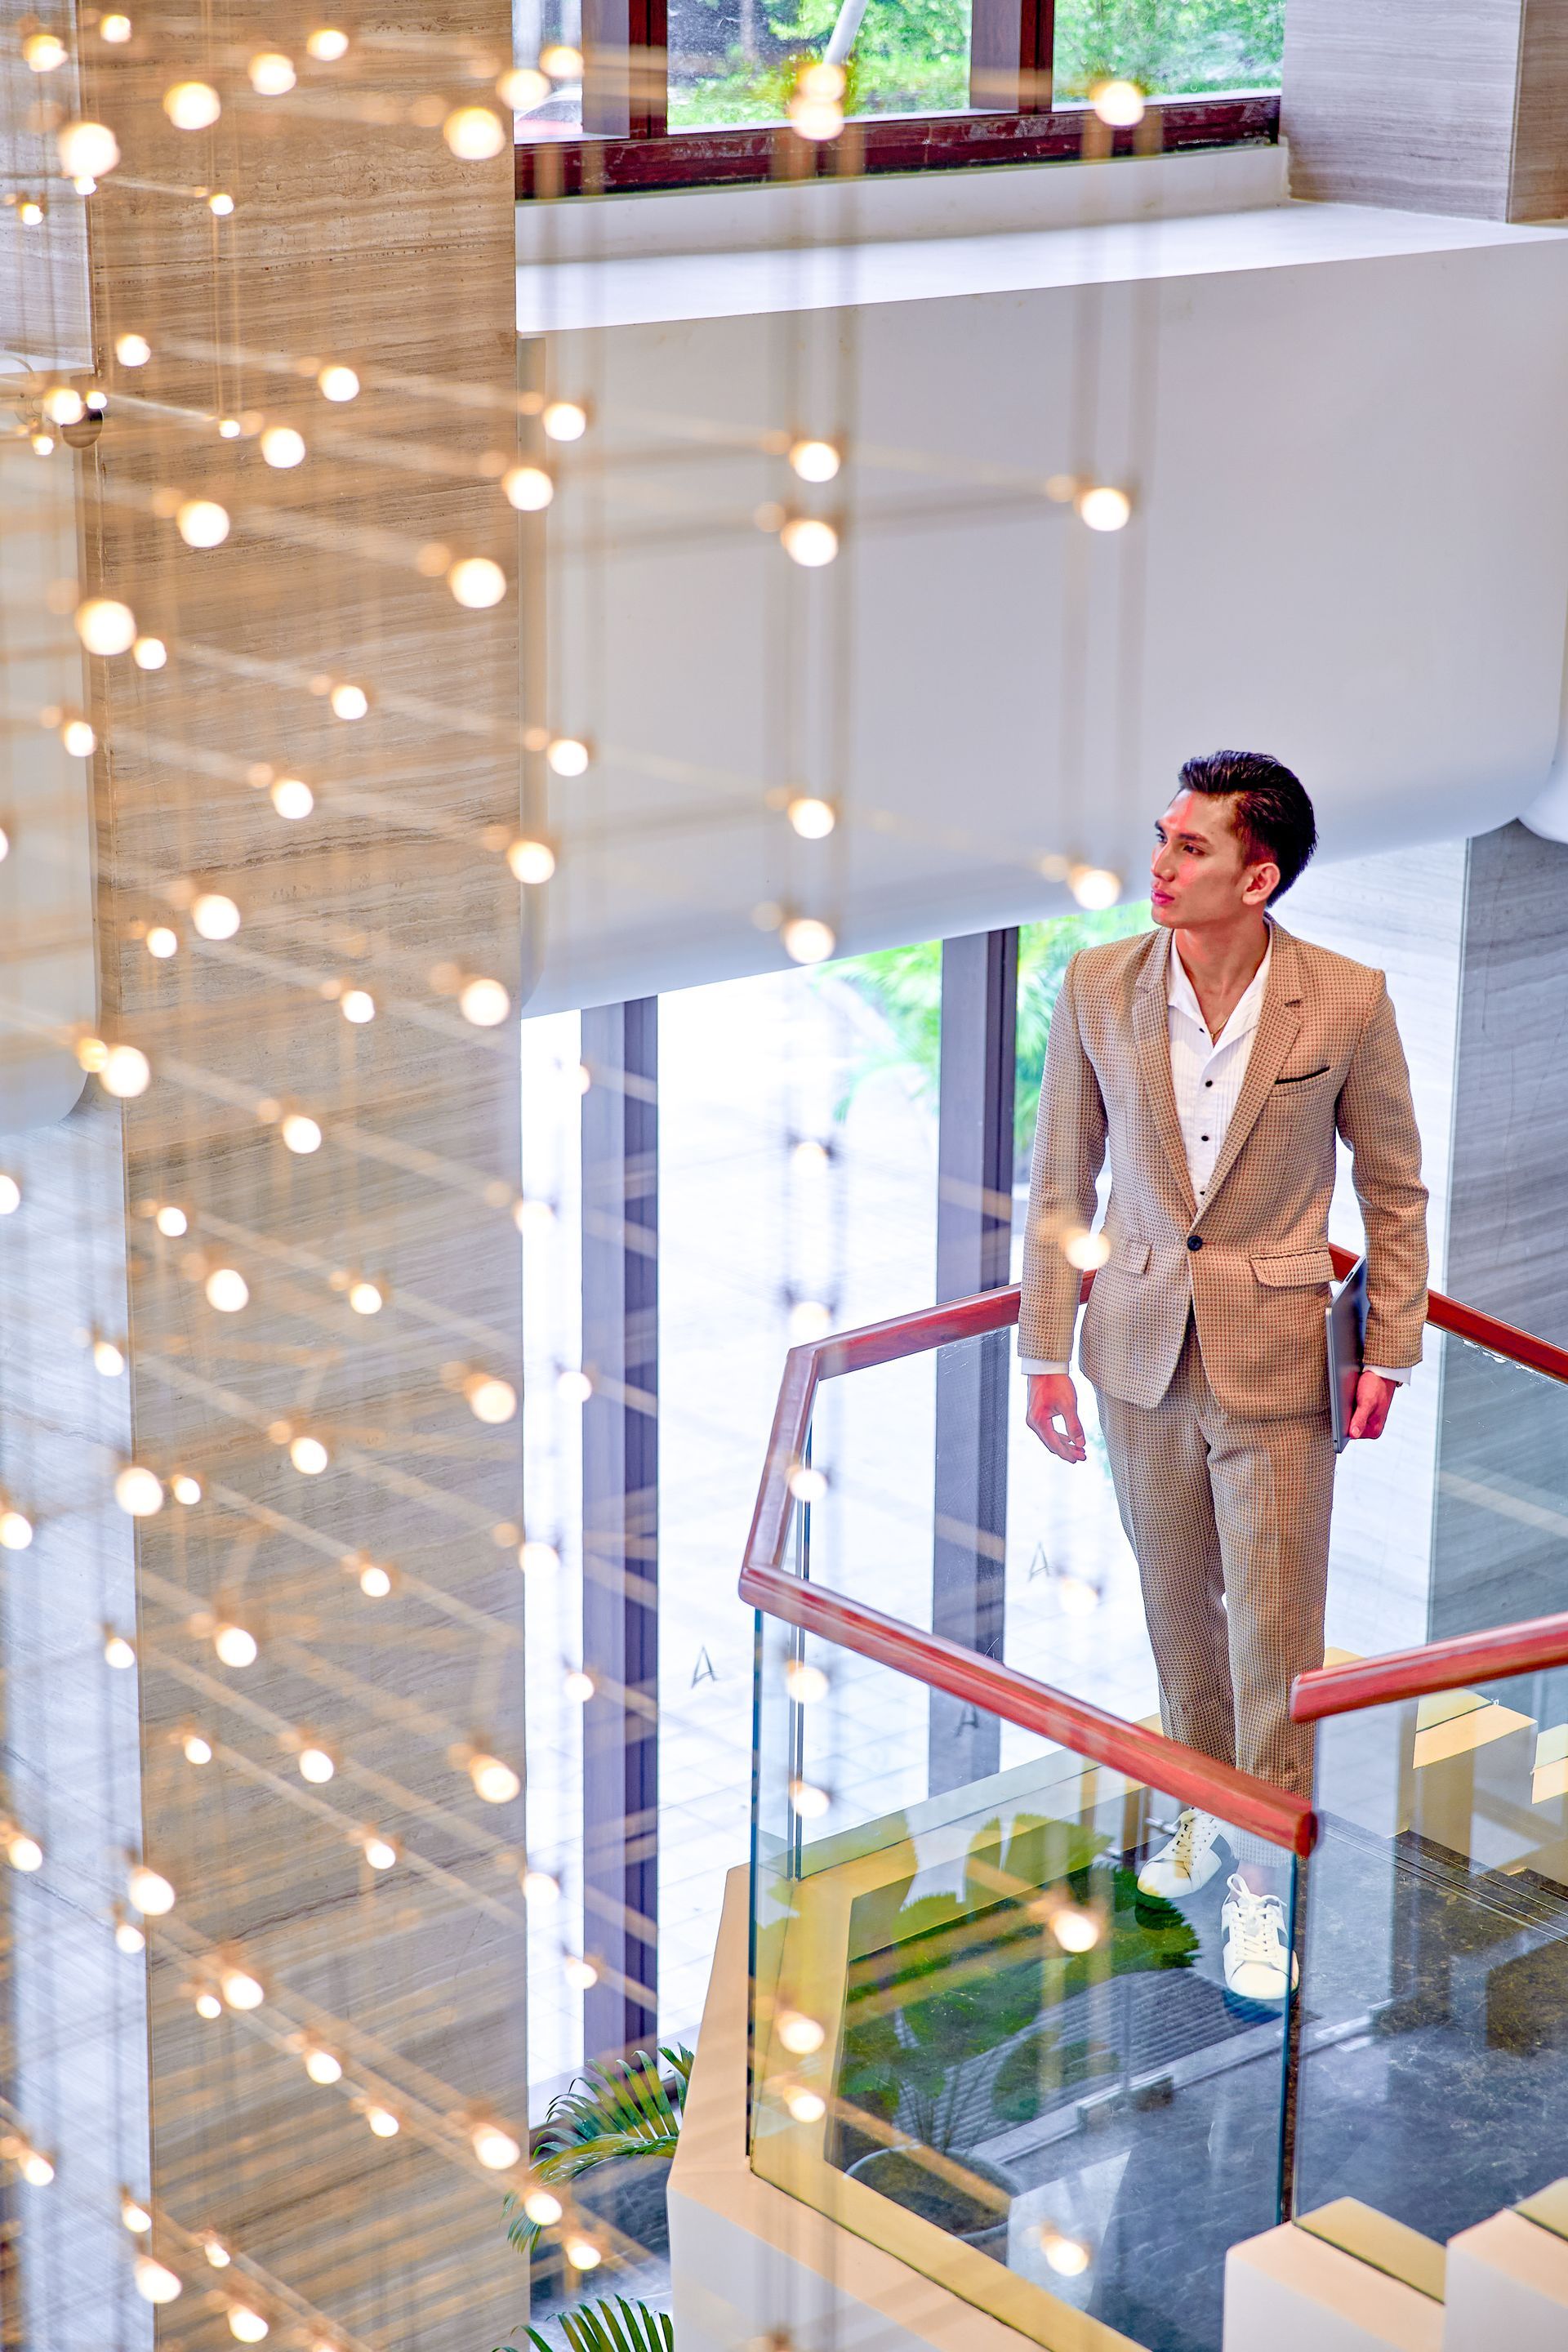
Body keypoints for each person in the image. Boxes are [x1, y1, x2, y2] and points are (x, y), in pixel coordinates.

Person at [1018, 751, 1428, 2002]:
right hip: (1135, 1350)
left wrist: (1392, 1349)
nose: (1161, 864)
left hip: (1279, 1365)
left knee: (1276, 1636)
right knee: (1174, 1613)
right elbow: (1060, 1184)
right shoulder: (1097, 985)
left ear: (1258, 876)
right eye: (1163, 837)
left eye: (1191, 850)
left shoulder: (1346, 1000)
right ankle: (1197, 1810)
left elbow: (1394, 1188)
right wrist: (1044, 1349)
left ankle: (1263, 1890)